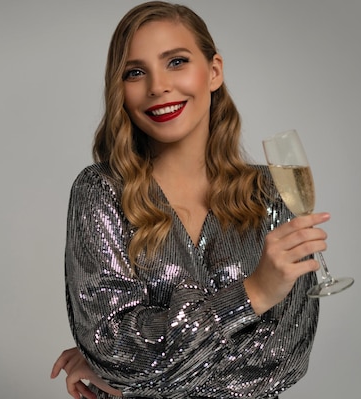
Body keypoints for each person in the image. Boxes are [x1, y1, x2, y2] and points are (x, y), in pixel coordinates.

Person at [50, 1, 327, 398]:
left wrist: (137, 377)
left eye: (176, 62)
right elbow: (112, 348)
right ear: (121, 90)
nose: (157, 86)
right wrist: (254, 295)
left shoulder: (271, 192)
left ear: (213, 72)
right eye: (135, 72)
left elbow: (285, 359)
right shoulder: (101, 191)